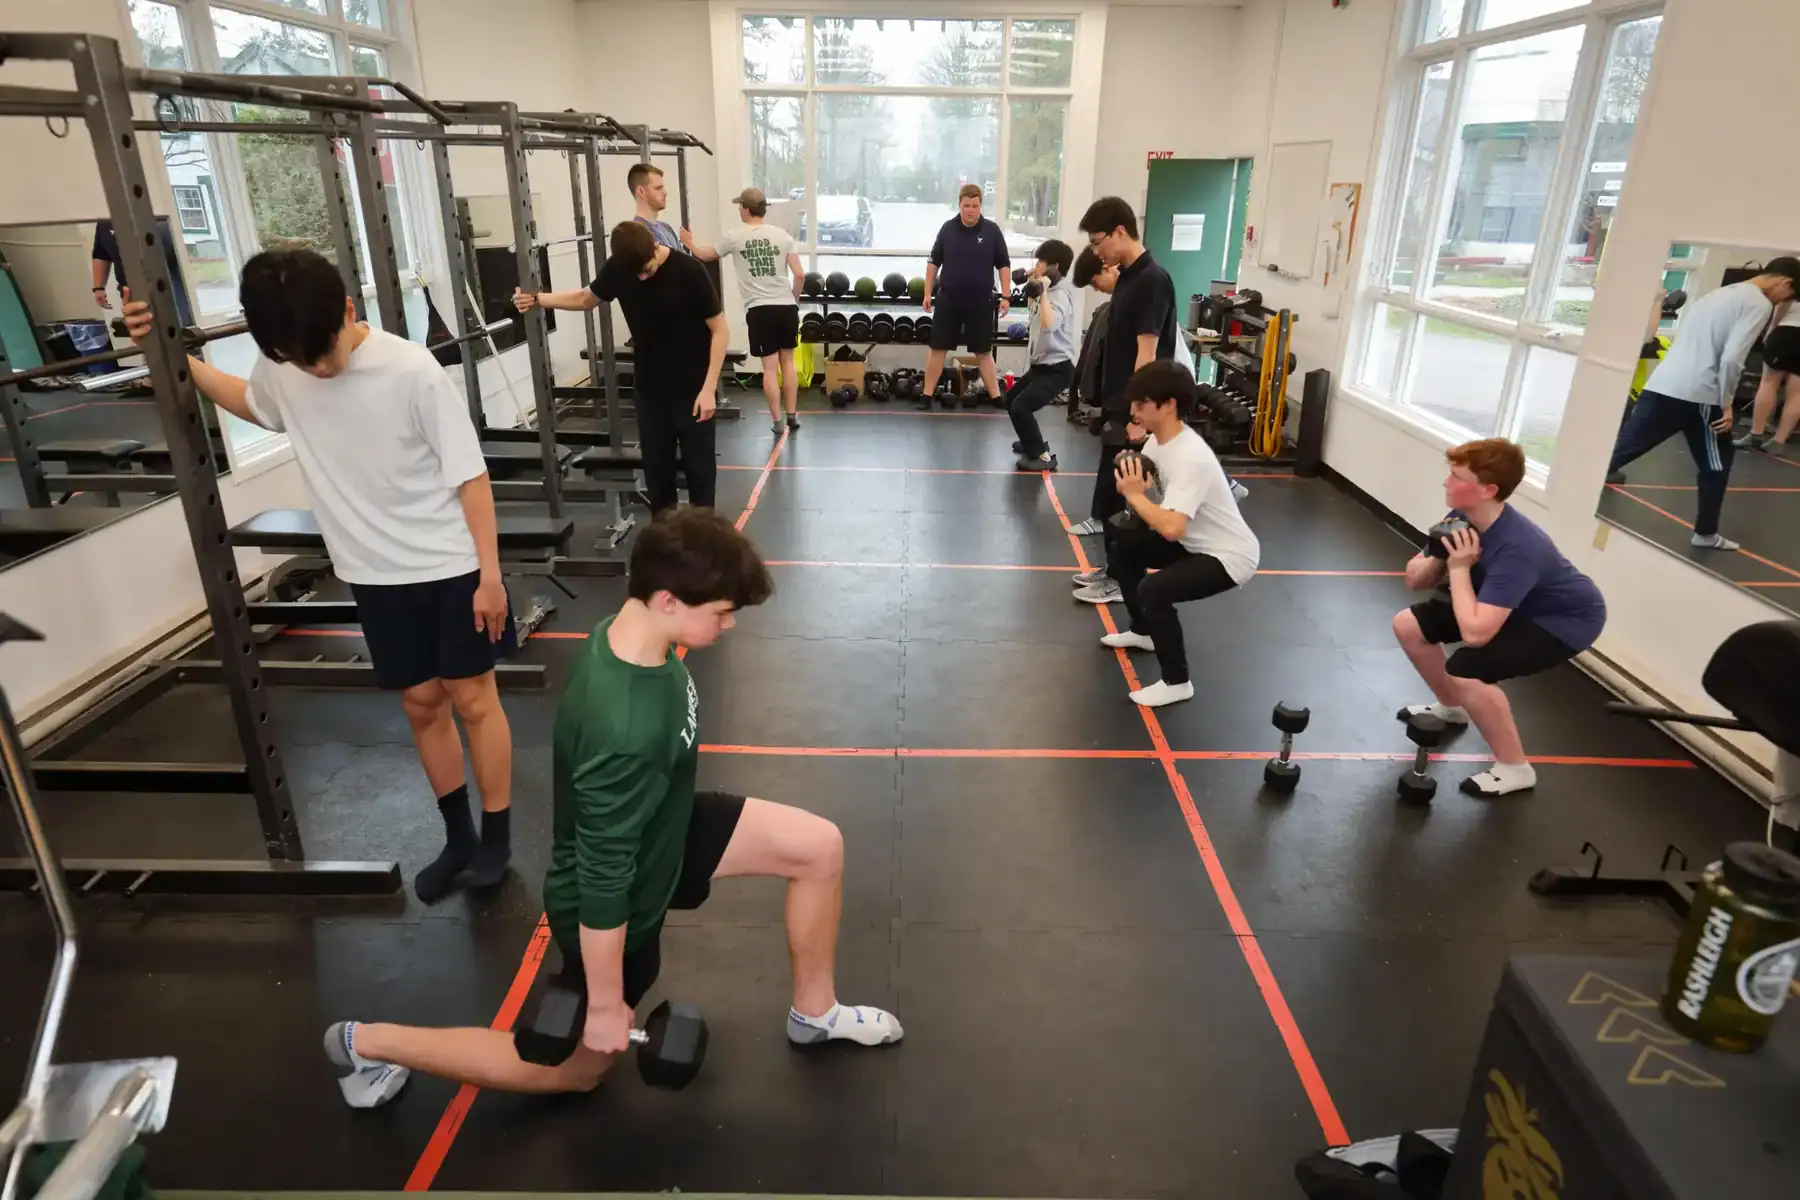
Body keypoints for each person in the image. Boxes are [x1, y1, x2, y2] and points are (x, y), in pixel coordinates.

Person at [322, 509, 903, 1108]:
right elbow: (602, 877)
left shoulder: (629, 631)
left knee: (817, 848)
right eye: (721, 612)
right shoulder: (624, 728)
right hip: (616, 898)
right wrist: (603, 1006)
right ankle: (364, 1044)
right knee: (573, 1072)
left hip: (663, 823)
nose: (728, 625)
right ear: (668, 600)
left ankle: (815, 1014)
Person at [119, 249, 515, 904]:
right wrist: (168, 354)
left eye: (323, 352)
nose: (319, 369)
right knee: (421, 704)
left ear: (349, 311)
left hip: (450, 565)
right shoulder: (286, 363)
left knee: (473, 699)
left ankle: (496, 839)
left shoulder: (412, 371)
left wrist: (490, 577)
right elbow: (257, 404)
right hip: (373, 572)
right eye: (302, 361)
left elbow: (472, 478)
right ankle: (459, 839)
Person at [1396, 438, 1608, 798]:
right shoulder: (1461, 517)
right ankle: (1452, 708)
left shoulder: (1518, 547)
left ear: (1488, 490)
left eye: (1457, 477)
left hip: (1561, 620)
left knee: (1467, 672)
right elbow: (1414, 580)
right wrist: (1442, 554)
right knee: (1408, 625)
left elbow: (1476, 635)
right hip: (1502, 605)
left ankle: (1515, 767)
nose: (1446, 481)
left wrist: (1459, 568)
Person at [515, 221, 726, 513]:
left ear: (655, 245)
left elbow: (720, 330)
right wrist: (538, 299)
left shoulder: (690, 271)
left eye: (647, 270)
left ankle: (706, 540)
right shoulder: (620, 267)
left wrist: (709, 389)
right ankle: (664, 540)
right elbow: (585, 298)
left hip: (694, 390)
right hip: (650, 391)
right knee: (658, 481)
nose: (642, 276)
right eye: (636, 273)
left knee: (700, 480)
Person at [1091, 362, 1260, 709]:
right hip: (1194, 542)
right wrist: (1134, 479)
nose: (1133, 411)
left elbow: (1171, 527)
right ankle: (1144, 632)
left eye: (1141, 403)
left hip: (1228, 556)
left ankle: (1177, 682)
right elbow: (1151, 498)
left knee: (1154, 589)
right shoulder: (1157, 442)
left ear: (1168, 405)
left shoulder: (1190, 456)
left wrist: (1134, 495)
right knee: (1122, 547)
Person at [1605, 257, 1800, 550]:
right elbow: (1732, 359)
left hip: (1661, 385)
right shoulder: (1758, 304)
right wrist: (1727, 403)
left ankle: (1575, 486)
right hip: (1700, 394)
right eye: (1789, 295)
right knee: (1716, 465)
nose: (1783, 301)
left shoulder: (1716, 295)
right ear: (1784, 282)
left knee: (1623, 448)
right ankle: (1706, 534)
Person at [682, 187, 804, 436]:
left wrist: (688, 243)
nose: (739, 210)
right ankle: (792, 416)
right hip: (786, 307)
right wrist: (793, 299)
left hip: (760, 309)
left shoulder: (735, 236)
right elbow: (800, 275)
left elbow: (706, 255)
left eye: (740, 207)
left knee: (769, 368)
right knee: (788, 362)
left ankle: (777, 423)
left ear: (746, 210)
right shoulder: (783, 236)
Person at [919, 184, 1010, 408]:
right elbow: (933, 262)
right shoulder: (947, 229)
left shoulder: (991, 231)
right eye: (966, 205)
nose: (970, 210)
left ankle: (996, 397)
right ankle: (926, 396)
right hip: (949, 299)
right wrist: (927, 293)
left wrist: (1006, 296)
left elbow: (1004, 265)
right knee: (938, 349)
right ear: (959, 205)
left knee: (983, 352)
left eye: (975, 206)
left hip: (980, 301)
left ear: (981, 206)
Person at [1008, 238, 1079, 472]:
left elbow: (1049, 324)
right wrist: (1033, 284)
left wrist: (1043, 290)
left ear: (1054, 267)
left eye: (1041, 262)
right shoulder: (1046, 289)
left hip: (1057, 369)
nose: (1036, 265)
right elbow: (1032, 309)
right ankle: (1031, 441)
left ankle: (1043, 456)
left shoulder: (1061, 295)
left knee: (1021, 407)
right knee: (1011, 399)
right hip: (1040, 366)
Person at [1736, 289, 1800, 455]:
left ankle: (1755, 435)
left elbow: (1784, 304)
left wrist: (1771, 328)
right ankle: (1779, 442)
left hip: (1787, 331)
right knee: (1797, 393)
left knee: (1769, 383)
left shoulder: (1794, 275)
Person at [628, 163, 685, 253]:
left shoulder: (666, 228)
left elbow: (686, 260)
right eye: (658, 188)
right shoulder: (637, 236)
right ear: (641, 192)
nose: (665, 193)